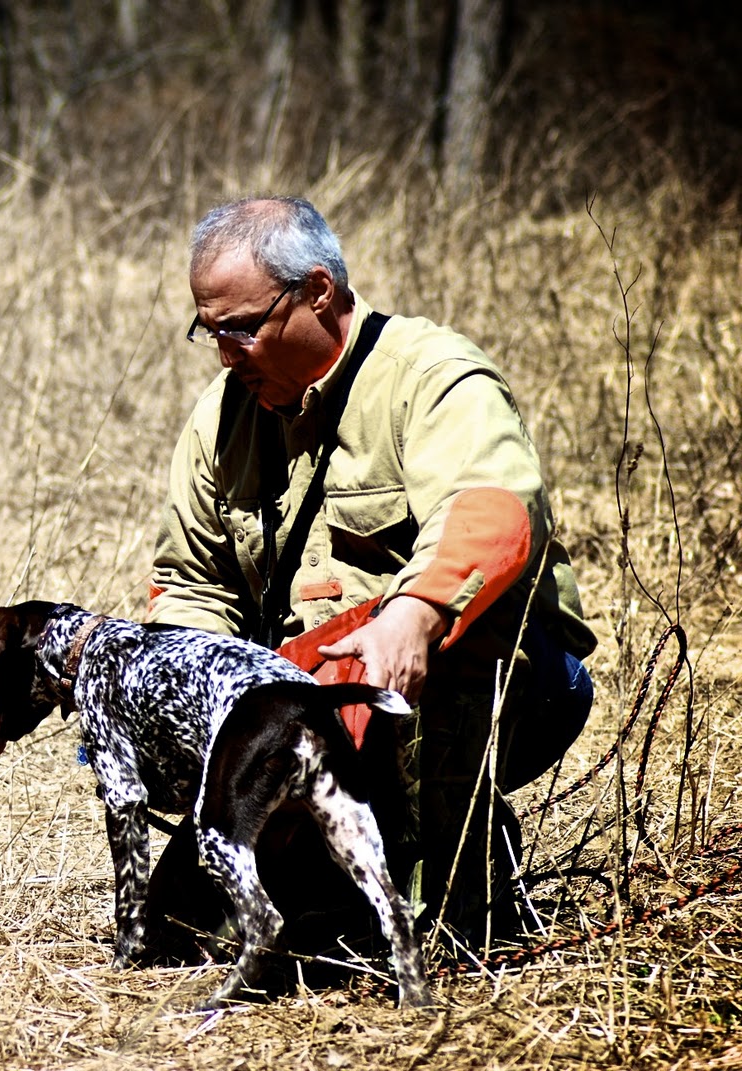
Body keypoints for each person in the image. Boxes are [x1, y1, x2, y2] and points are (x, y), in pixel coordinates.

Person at [141, 196, 597, 965]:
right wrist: (198, 693)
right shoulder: (222, 416)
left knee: (423, 665)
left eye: (243, 327)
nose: (226, 353)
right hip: (304, 700)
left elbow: (492, 510)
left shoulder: (431, 373)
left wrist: (416, 611)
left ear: (319, 291)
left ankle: (455, 899)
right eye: (210, 331)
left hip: (475, 677)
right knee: (176, 927)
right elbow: (189, 578)